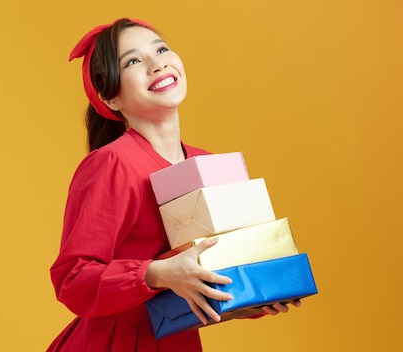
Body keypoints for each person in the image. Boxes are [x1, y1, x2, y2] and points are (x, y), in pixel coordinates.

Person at [47, 18, 299, 352]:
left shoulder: (209, 163)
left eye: (161, 49)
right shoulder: (113, 164)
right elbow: (72, 279)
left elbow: (197, 283)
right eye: (133, 61)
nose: (157, 63)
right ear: (110, 100)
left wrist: (240, 300)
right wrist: (156, 273)